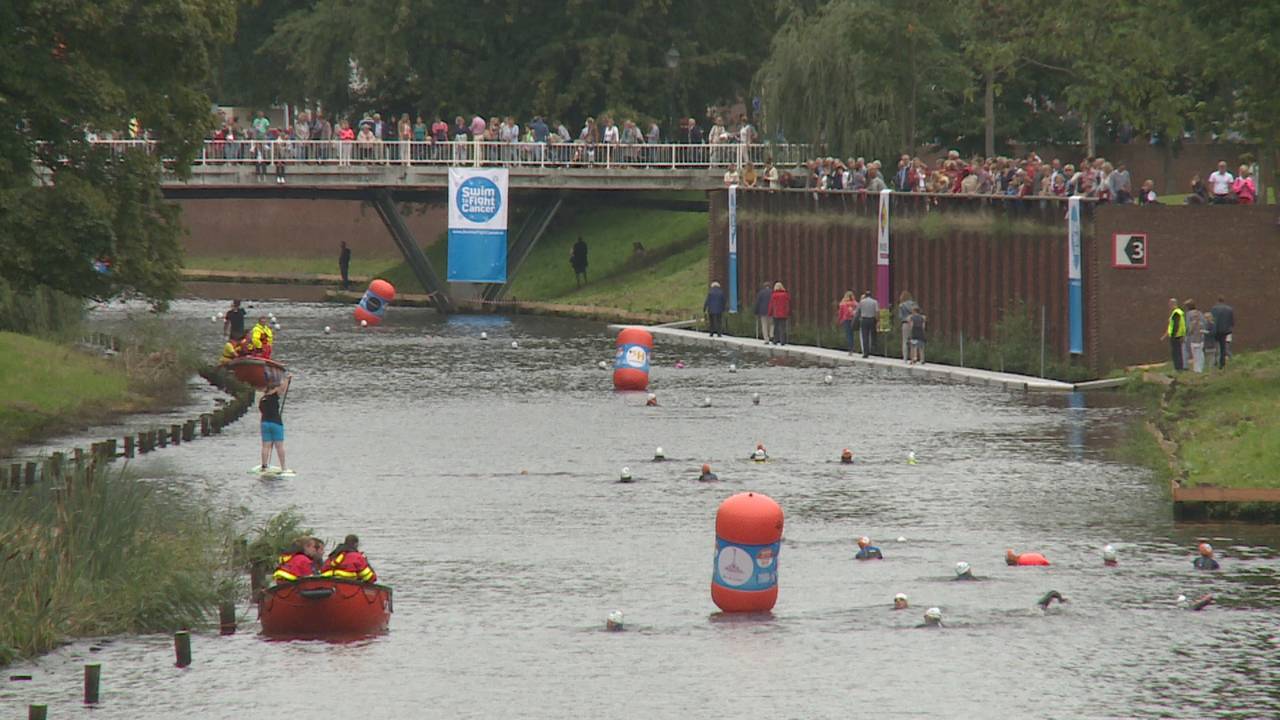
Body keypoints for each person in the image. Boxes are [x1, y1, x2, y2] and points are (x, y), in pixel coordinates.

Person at [259, 374, 291, 472]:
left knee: (265, 446)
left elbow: (261, 411)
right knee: (279, 446)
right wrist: (287, 379)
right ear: (273, 389)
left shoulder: (262, 399)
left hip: (264, 423)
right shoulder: (275, 396)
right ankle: (283, 467)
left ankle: (264, 466)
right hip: (276, 423)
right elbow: (283, 389)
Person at [1160, 297, 1185, 371]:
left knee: (1176, 352)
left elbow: (1176, 325)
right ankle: (1179, 367)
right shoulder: (1177, 312)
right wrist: (1165, 335)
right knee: (1177, 351)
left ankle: (1178, 368)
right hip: (1177, 335)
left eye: (1169, 304)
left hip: (1176, 336)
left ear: (1172, 304)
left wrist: (1173, 335)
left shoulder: (1176, 312)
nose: (1169, 306)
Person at [1209, 296, 1233, 369]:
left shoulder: (1214, 309)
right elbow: (1232, 321)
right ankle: (1222, 364)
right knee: (1223, 347)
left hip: (1216, 330)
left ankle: (1215, 362)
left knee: (1215, 346)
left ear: (1218, 301)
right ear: (1223, 301)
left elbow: (1212, 319)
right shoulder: (1229, 309)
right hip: (1225, 331)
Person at [1184, 299, 1206, 373]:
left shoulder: (1188, 314)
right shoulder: (1200, 313)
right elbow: (1204, 323)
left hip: (1193, 337)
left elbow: (1187, 326)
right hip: (1201, 336)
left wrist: (1188, 332)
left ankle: (1197, 369)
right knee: (1200, 353)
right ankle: (1201, 367)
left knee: (1195, 354)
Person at [896, 291, 918, 361]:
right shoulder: (914, 304)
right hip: (914, 323)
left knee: (905, 341)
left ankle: (905, 358)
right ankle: (914, 357)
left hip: (905, 323)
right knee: (914, 340)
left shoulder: (901, 305)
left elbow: (900, 316)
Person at [857, 291, 879, 358]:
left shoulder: (861, 302)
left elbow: (858, 310)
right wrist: (877, 320)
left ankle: (865, 353)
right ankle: (872, 349)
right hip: (872, 319)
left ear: (865, 295)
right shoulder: (875, 302)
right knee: (872, 335)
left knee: (865, 336)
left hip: (864, 320)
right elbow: (877, 311)